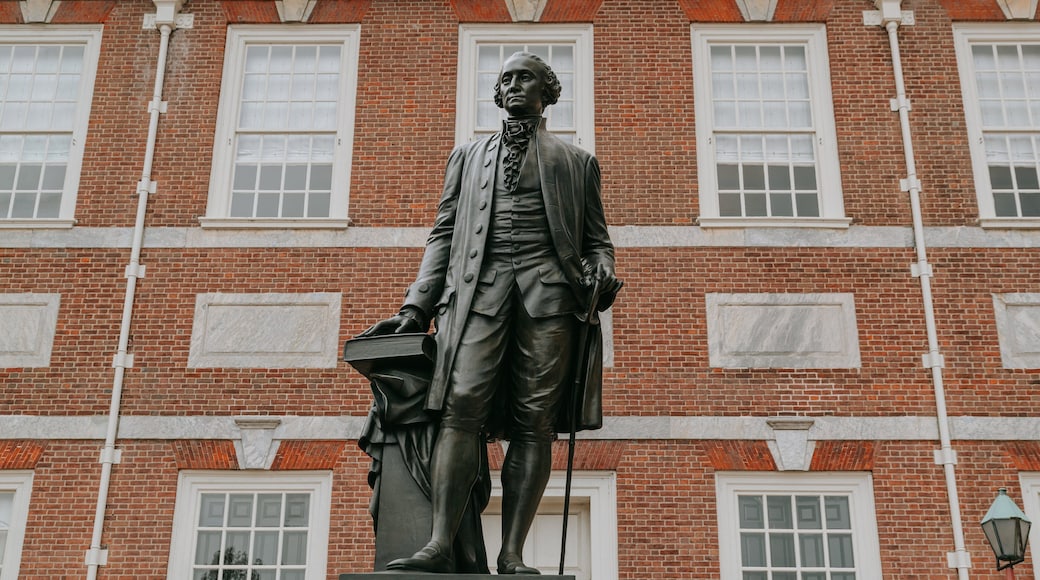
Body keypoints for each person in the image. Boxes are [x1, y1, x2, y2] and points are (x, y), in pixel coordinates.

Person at [361, 51, 620, 575]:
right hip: (477, 298)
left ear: (547, 92)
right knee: (460, 409)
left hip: (548, 302)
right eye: (505, 80)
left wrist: (602, 273)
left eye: (525, 78)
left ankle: (512, 554)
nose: (514, 86)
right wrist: (417, 306)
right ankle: (438, 542)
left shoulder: (577, 162)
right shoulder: (467, 158)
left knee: (535, 424)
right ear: (498, 94)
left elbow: (598, 242)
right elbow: (441, 235)